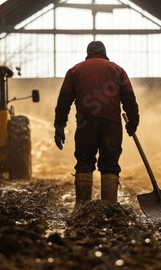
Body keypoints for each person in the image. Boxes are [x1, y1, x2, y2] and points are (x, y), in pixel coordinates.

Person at [54, 41, 139, 206]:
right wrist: (133, 121)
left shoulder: (75, 71)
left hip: (85, 123)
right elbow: (128, 96)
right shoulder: (117, 70)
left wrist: (59, 127)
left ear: (88, 53)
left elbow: (64, 100)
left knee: (84, 161)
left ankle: (82, 207)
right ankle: (109, 207)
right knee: (109, 163)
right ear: (105, 52)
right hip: (111, 124)